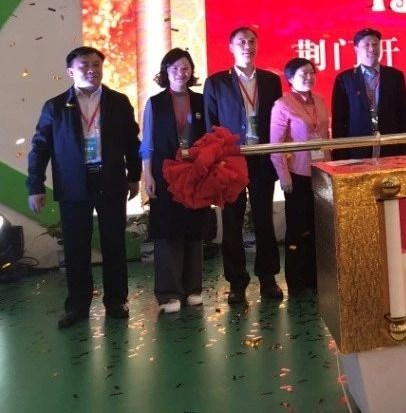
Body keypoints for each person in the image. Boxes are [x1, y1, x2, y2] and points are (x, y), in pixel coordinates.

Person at [26, 46, 141, 329]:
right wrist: (35, 185)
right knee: (76, 246)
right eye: (84, 65)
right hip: (73, 183)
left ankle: (116, 301)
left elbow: (131, 142)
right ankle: (77, 306)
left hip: (110, 179)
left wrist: (134, 175)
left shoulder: (118, 101)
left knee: (114, 242)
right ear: (70, 71)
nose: (92, 69)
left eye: (96, 64)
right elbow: (40, 147)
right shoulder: (55, 106)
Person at [203, 26, 283, 304]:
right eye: (241, 42)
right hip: (231, 160)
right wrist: (217, 162)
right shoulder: (216, 83)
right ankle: (236, 283)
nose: (247, 46)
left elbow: (277, 122)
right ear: (231, 47)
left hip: (262, 158)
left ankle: (268, 278)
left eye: (251, 41)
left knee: (264, 220)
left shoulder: (271, 81)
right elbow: (211, 126)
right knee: (232, 223)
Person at [141, 48, 208, 314]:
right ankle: (169, 293)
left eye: (185, 68)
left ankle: (193, 289)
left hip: (196, 173)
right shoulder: (155, 103)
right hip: (165, 172)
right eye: (175, 68)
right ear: (165, 72)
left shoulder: (201, 100)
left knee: (194, 228)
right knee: (168, 230)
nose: (181, 72)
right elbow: (147, 143)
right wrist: (148, 175)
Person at [270, 58, 330, 295]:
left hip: (322, 173)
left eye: (311, 73)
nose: (308, 77)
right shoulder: (282, 105)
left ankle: (316, 279)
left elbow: (326, 137)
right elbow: (275, 145)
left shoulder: (320, 100)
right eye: (302, 74)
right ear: (290, 78)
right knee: (297, 228)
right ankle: (296, 282)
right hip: (297, 174)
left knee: (319, 227)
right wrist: (283, 176)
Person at [331, 28, 406, 159]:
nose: (372, 49)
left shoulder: (395, 76)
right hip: (358, 148)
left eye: (375, 44)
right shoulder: (345, 78)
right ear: (356, 50)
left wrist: (405, 151)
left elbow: (402, 116)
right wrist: (340, 155)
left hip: (390, 146)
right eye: (366, 45)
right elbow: (339, 121)